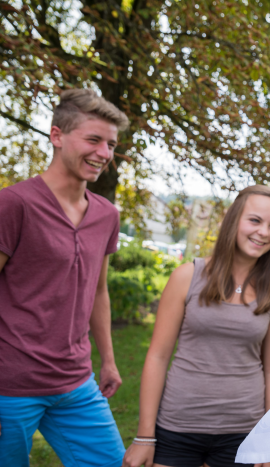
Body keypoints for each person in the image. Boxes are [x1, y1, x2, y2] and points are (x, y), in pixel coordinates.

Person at [0, 89, 129, 467]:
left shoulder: (107, 215)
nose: (104, 153)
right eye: (93, 140)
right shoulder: (14, 204)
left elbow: (98, 291)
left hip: (76, 382)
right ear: (57, 136)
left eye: (111, 144)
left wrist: (108, 359)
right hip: (10, 385)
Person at [122, 185, 270, 467]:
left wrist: (267, 441)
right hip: (177, 426)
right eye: (255, 220)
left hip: (243, 432)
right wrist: (144, 436)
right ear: (232, 220)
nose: (264, 232)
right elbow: (158, 356)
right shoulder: (187, 276)